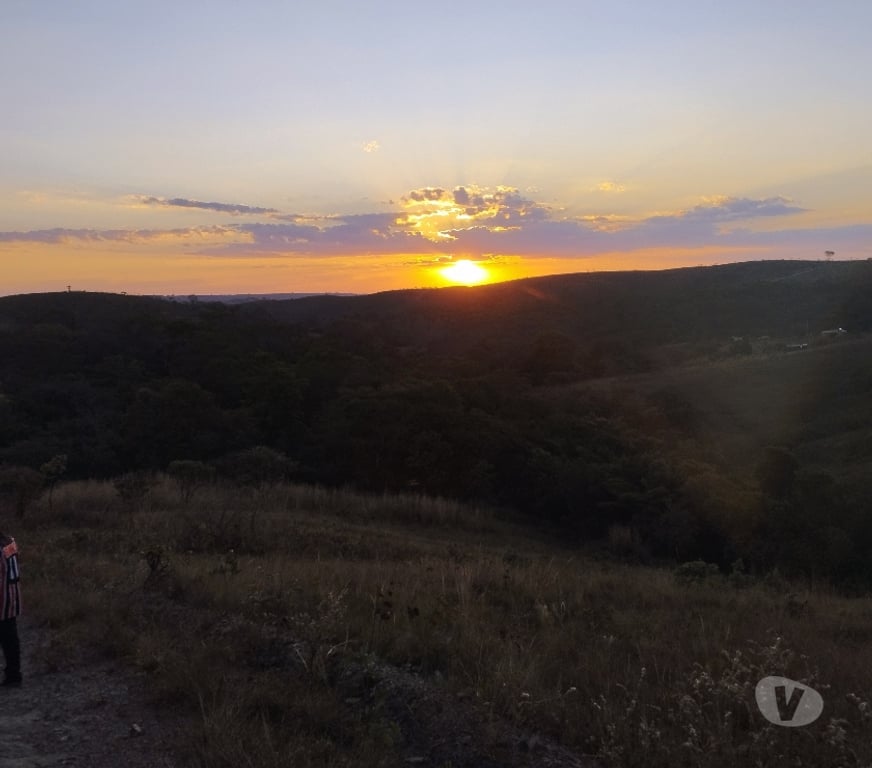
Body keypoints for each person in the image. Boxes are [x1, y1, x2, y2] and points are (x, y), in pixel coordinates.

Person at [0, 532, 21, 687]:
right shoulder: (10, 542)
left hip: (2, 597)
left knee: (8, 638)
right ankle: (14, 674)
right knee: (10, 639)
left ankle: (13, 675)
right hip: (12, 596)